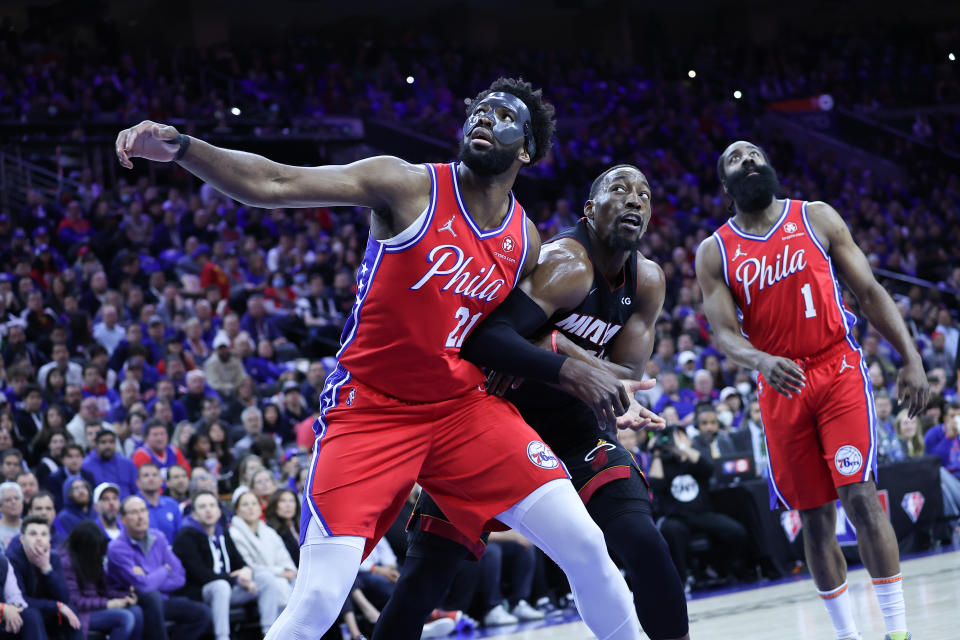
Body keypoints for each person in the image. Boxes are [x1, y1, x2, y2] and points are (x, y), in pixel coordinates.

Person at [116, 77, 646, 639]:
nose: (483, 119)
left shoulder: (526, 240)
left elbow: (510, 338)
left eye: (502, 116)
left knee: (586, 544)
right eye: (478, 112)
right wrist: (182, 147)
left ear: (526, 150)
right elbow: (272, 182)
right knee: (319, 596)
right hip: (369, 408)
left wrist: (599, 375)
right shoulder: (406, 185)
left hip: (462, 410)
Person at [372, 165, 688, 640]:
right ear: (589, 208)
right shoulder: (567, 264)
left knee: (642, 540)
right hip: (496, 425)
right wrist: (568, 355)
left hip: (574, 430)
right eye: (619, 190)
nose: (634, 200)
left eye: (644, 194)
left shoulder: (646, 280)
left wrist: (556, 348)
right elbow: (485, 338)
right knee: (424, 578)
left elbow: (624, 377)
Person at [695, 140, 929, 640]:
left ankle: (898, 632)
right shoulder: (714, 251)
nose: (749, 161)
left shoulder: (816, 216)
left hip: (836, 368)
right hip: (779, 384)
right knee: (815, 519)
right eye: (736, 159)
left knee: (861, 496)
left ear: (770, 166)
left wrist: (911, 358)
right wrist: (761, 360)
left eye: (754, 154)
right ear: (726, 184)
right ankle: (847, 635)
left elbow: (869, 292)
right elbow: (723, 335)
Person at [173, 491, 286, 640]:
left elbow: (239, 562)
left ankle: (269, 633)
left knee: (265, 578)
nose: (208, 510)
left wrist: (246, 572)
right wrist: (236, 580)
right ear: (194, 514)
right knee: (220, 586)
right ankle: (223, 637)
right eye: (202, 506)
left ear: (219, 512)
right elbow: (201, 575)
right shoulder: (185, 536)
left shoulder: (223, 533)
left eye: (212, 505)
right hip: (201, 592)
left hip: (229, 587)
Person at [647, 426, 748, 588]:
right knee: (671, 531)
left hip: (702, 514)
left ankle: (716, 569)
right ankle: (683, 579)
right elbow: (656, 485)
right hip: (677, 517)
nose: (673, 441)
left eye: (679, 437)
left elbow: (708, 468)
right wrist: (657, 453)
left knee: (736, 531)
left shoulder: (694, 461)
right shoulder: (663, 463)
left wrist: (683, 448)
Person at [105, 496, 211, 640]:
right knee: (151, 597)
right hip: (134, 602)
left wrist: (149, 577)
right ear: (122, 519)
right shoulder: (116, 548)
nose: (140, 516)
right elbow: (142, 587)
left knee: (202, 613)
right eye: (134, 512)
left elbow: (180, 576)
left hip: (164, 599)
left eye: (143, 510)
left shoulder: (158, 537)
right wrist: (165, 570)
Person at [61, 520, 143, 640]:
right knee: (125, 618)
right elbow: (75, 602)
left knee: (136, 611)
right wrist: (108, 604)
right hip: (80, 614)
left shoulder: (93, 556)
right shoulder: (66, 563)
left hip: (95, 606)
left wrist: (125, 596)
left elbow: (104, 590)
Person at [6, 515, 83, 639]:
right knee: (33, 615)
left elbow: (64, 597)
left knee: (71, 611)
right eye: (33, 534)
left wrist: (47, 569)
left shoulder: (53, 558)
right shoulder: (12, 559)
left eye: (43, 534)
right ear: (22, 539)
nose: (39, 539)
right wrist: (57, 606)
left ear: (49, 539)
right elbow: (21, 600)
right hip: (21, 612)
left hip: (46, 611)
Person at [228, 491, 295, 604]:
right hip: (254, 580)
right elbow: (249, 566)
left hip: (279, 575)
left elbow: (283, 557)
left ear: (260, 508)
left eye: (254, 504)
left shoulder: (269, 531)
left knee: (299, 583)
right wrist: (280, 572)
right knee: (278, 584)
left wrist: (289, 570)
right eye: (245, 505)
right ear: (237, 510)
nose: (250, 508)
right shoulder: (233, 534)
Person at [83, 429, 138, 498]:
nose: (108, 446)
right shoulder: (86, 465)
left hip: (128, 505)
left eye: (111, 442)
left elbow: (136, 490)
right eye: (103, 442)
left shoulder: (127, 463)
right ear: (96, 444)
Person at [135, 464, 181, 542]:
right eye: (146, 475)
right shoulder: (132, 506)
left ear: (161, 481)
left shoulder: (172, 504)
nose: (151, 478)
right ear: (138, 482)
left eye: (155, 475)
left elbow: (180, 535)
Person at [0, 483, 22, 551]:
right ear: (0, 507)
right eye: (8, 500)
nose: (13, 502)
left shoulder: (30, 526)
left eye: (16, 498)